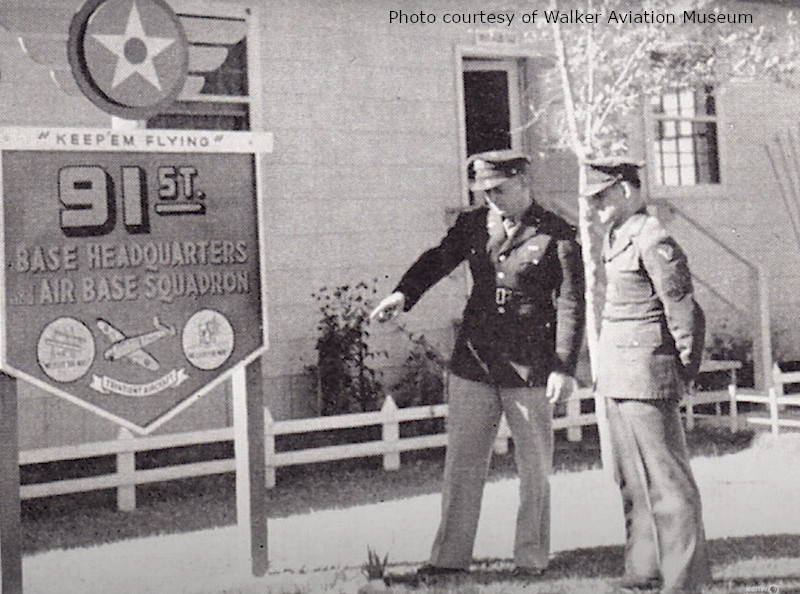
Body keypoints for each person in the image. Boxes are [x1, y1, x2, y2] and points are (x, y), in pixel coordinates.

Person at [370, 149, 584, 580]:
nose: (491, 199)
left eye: (499, 190)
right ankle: (449, 559)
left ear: (524, 183)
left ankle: (530, 560)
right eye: (485, 192)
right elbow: (437, 259)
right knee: (462, 465)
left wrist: (563, 367)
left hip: (528, 367)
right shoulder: (473, 225)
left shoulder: (558, 234)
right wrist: (403, 294)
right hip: (475, 362)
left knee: (534, 469)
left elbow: (570, 303)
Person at [582, 157, 711, 593]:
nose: (595, 206)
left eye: (602, 197)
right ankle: (644, 570)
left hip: (647, 375)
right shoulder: (618, 234)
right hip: (619, 374)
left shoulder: (654, 238)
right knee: (632, 481)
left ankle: (685, 580)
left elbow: (683, 309)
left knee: (668, 482)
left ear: (625, 190)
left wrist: (683, 369)